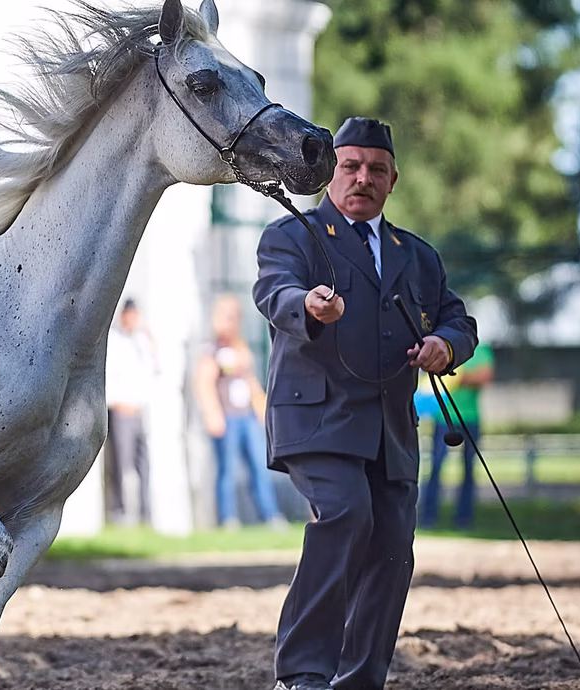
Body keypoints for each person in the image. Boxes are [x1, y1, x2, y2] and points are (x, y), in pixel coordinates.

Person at [252, 117, 478, 690]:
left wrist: (444, 344)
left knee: (394, 549)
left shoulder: (418, 256)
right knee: (347, 514)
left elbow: (459, 320)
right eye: (350, 166)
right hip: (317, 418)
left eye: (376, 169)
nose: (362, 178)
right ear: (331, 172)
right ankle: (302, 674)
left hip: (391, 429)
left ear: (393, 180)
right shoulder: (292, 235)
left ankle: (360, 680)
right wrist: (309, 303)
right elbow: (274, 292)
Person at [194, 293, 286, 529]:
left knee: (259, 466)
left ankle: (270, 515)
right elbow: (204, 383)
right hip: (226, 417)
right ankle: (228, 518)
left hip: (246, 417)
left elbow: (250, 381)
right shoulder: (212, 350)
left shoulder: (241, 347)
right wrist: (212, 413)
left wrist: (261, 407)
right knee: (227, 471)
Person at [419, 342, 494, 529]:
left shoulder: (480, 349)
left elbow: (485, 376)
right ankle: (428, 517)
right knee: (436, 466)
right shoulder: (441, 344)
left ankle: (464, 518)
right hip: (443, 417)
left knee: (469, 469)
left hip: (470, 418)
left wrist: (457, 376)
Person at [104, 298, 158, 526]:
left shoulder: (140, 341)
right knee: (119, 464)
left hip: (138, 410)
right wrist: (117, 403)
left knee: (143, 464)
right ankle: (118, 510)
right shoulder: (115, 341)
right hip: (120, 409)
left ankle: (146, 511)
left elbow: (154, 368)